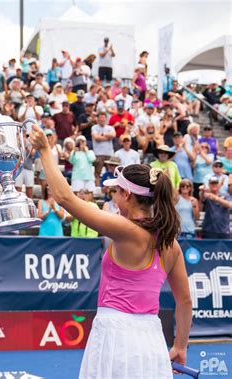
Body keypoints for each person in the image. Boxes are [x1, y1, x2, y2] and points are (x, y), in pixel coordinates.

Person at [30, 124, 191, 379]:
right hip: (152, 341)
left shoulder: (126, 229)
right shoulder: (172, 245)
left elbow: (65, 198)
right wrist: (180, 346)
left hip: (115, 337)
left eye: (115, 191)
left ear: (127, 194)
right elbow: (185, 301)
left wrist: (44, 150)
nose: (112, 195)